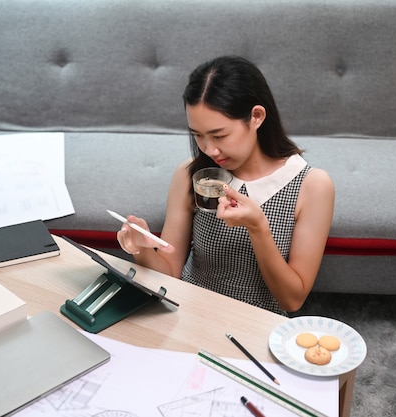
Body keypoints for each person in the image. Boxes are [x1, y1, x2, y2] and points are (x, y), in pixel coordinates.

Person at [116, 56, 334, 315]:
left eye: (219, 135)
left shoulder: (312, 185)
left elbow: (292, 300)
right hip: (189, 314)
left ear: (256, 117)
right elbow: (170, 273)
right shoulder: (192, 176)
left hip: (257, 326)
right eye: (198, 135)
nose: (209, 149)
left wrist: (258, 229)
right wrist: (143, 248)